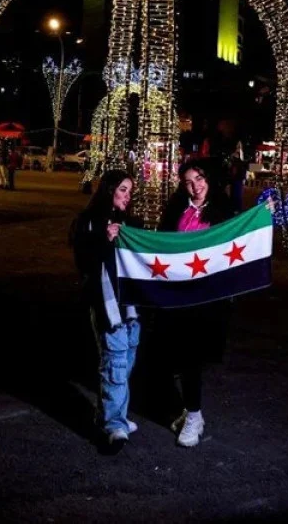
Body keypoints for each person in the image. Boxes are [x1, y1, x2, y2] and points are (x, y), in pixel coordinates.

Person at [152, 157, 234, 448]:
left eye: (199, 179)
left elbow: (240, 240)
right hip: (177, 297)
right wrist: (122, 233)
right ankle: (189, 410)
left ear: (209, 179)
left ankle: (195, 416)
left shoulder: (224, 211)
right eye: (188, 181)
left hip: (206, 299)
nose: (194, 186)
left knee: (191, 358)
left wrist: (263, 215)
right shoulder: (176, 209)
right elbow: (159, 244)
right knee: (177, 356)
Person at [70, 169, 141, 454]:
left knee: (127, 360)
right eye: (122, 189)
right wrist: (103, 238)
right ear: (109, 190)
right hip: (107, 305)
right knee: (115, 363)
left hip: (132, 306)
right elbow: (83, 262)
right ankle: (114, 426)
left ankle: (112, 414)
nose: (127, 196)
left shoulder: (132, 222)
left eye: (130, 191)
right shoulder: (88, 221)